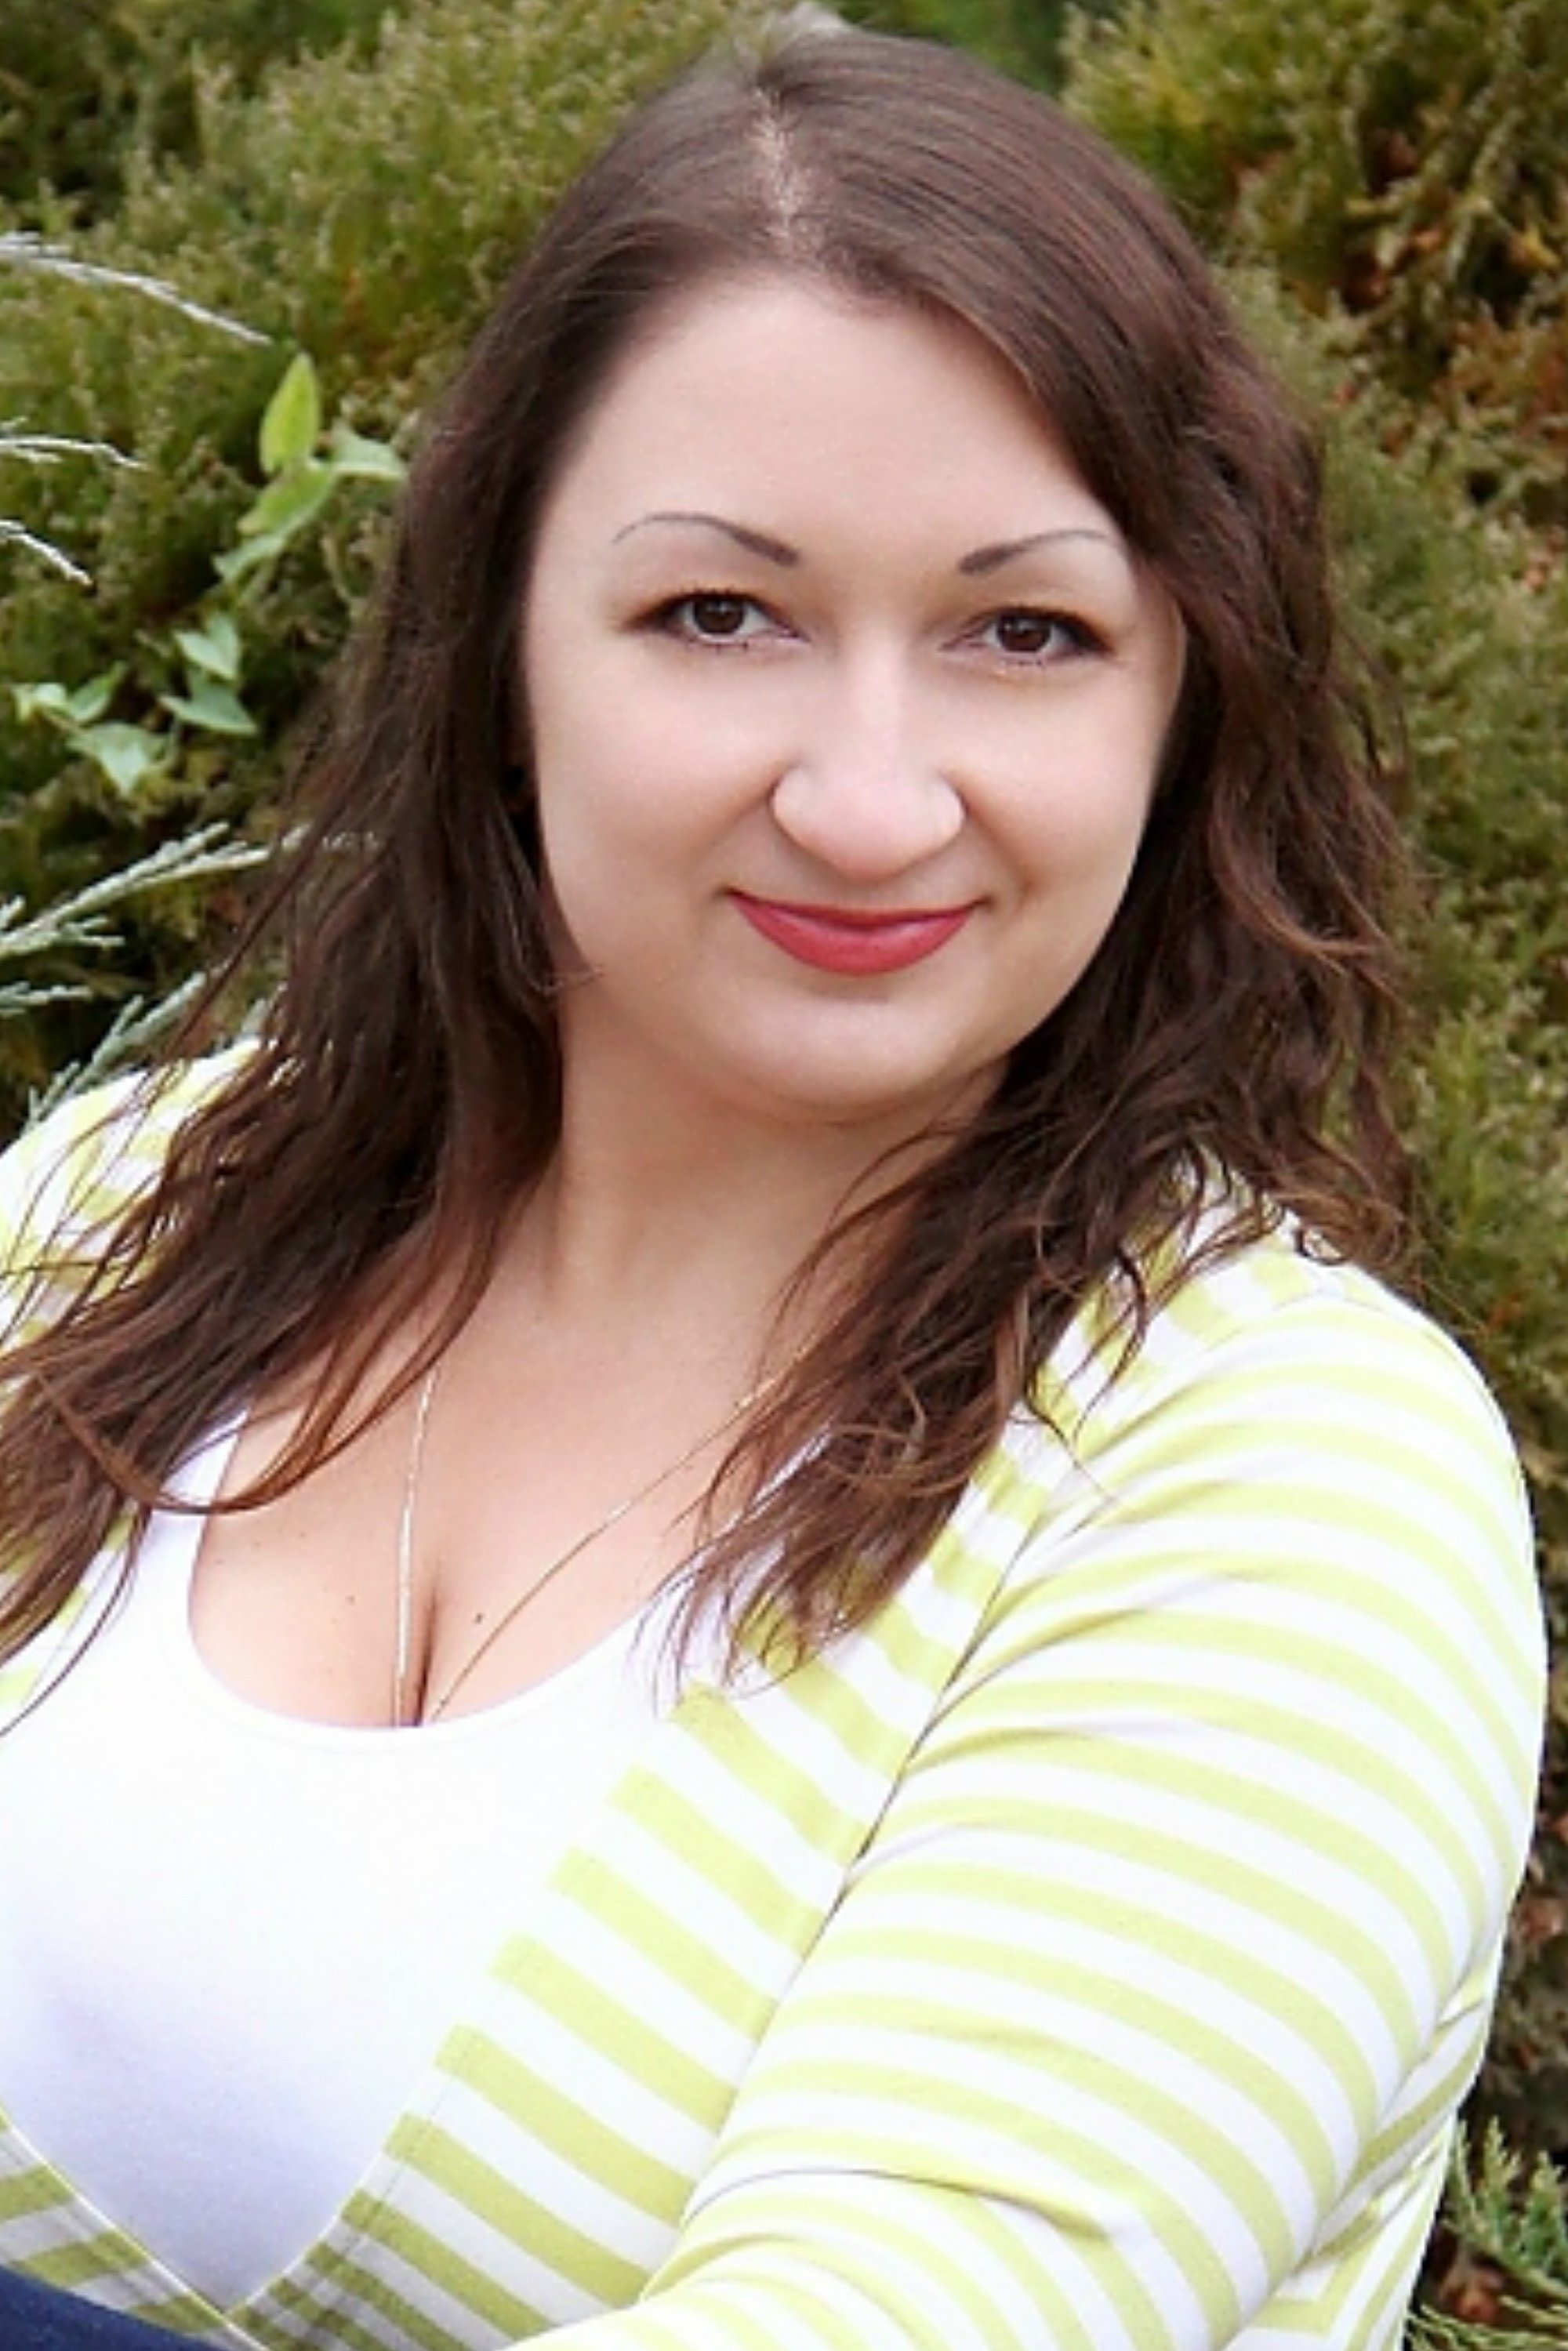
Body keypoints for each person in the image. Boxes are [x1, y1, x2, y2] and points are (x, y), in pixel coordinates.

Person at [0, 21, 1543, 2351]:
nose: (868, 800)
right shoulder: (132, 1204)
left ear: (1184, 706)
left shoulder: (1290, 1476)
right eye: (720, 616)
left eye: (1026, 634)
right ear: (504, 653)